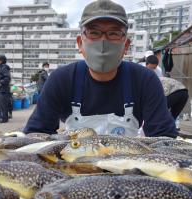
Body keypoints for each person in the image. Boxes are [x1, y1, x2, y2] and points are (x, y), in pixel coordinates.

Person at [24, 0, 177, 137]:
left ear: (126, 45)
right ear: (80, 43)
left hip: (128, 165)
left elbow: (164, 139)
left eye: (114, 33)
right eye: (94, 33)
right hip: (74, 165)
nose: (103, 42)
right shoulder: (61, 79)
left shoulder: (145, 80)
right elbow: (36, 135)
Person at [146, 55, 188, 120]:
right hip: (183, 91)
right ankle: (169, 128)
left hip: (175, 92)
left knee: (158, 112)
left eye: (154, 68)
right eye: (151, 68)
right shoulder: (141, 70)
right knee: (172, 117)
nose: (152, 70)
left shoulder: (157, 72)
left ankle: (158, 128)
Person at [0, 55, 11, 123]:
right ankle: (3, 117)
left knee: (3, 105)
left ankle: (4, 119)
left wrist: (0, 83)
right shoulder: (0, 68)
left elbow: (7, 78)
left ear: (1, 60)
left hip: (3, 90)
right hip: (0, 89)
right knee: (1, 104)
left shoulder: (4, 68)